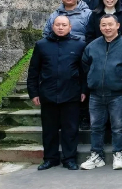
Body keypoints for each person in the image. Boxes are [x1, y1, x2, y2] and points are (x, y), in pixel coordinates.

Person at [27, 16, 86, 171]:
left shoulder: (79, 45)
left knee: (70, 129)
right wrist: (33, 93)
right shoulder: (41, 45)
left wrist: (83, 90)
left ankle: (69, 159)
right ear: (52, 26)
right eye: (58, 24)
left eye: (64, 25)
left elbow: (84, 71)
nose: (60, 27)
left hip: (71, 93)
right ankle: (50, 159)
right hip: (48, 94)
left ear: (70, 27)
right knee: (49, 130)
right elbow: (33, 71)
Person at [79, 15, 122, 171]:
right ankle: (96, 155)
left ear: (118, 25)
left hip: (118, 93)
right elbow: (85, 66)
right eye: (103, 25)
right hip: (96, 94)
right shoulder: (92, 46)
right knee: (96, 126)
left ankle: (118, 154)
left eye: (110, 24)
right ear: (100, 27)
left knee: (118, 126)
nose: (107, 28)